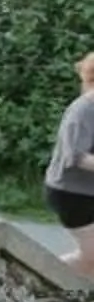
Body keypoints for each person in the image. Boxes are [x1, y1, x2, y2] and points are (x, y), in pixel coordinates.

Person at [41, 51, 94, 275]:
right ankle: (36, 277)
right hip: (71, 194)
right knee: (92, 258)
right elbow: (76, 156)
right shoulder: (82, 111)